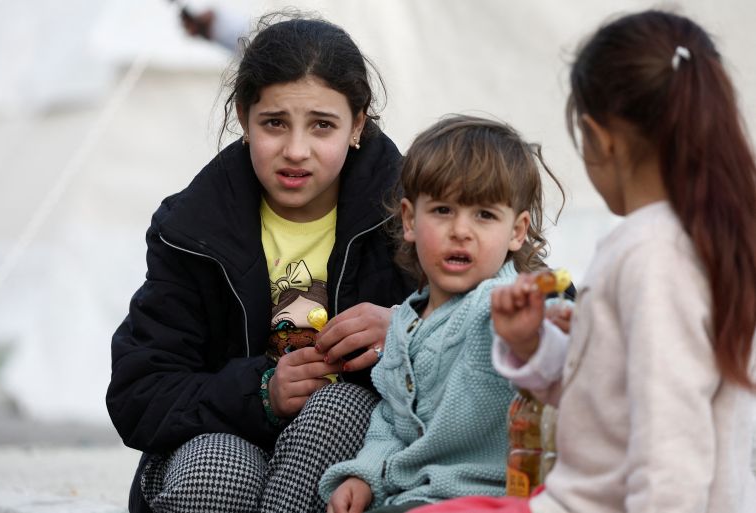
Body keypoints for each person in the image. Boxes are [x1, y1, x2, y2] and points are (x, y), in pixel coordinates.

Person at [410, 9, 756, 513]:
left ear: (599, 139)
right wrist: (536, 345)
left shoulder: (654, 255)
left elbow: (671, 453)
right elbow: (609, 404)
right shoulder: (693, 240)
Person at [106, 13, 415, 513]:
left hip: (361, 451)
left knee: (338, 410)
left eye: (322, 125)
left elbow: (510, 326)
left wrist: (406, 327)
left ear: (358, 124)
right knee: (218, 474)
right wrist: (262, 392)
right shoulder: (192, 229)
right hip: (219, 441)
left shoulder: (416, 216)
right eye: (275, 123)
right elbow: (140, 392)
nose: (296, 150)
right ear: (244, 118)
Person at [318, 114, 567, 513]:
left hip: (489, 498)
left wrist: (530, 339)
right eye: (443, 210)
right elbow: (392, 421)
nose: (461, 230)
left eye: (484, 215)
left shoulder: (505, 304)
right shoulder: (404, 321)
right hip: (410, 497)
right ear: (409, 220)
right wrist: (363, 476)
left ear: (517, 231)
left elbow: (566, 359)